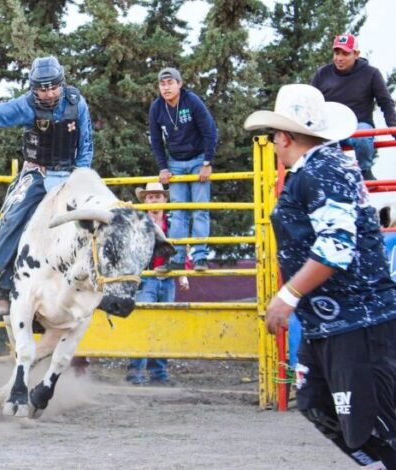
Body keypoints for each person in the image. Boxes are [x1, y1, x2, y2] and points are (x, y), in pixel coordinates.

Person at [245, 83, 396, 468]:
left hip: (357, 320)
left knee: (373, 421)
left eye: (273, 135)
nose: (273, 142)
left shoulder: (324, 171)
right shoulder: (315, 171)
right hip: (331, 320)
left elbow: (336, 247)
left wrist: (289, 294)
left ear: (284, 136)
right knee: (316, 403)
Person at [0, 56, 93, 316]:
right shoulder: (26, 106)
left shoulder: (77, 104)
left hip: (70, 174)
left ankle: (97, 282)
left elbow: (86, 143)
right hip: (37, 172)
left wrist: (80, 176)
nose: (48, 93)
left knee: (93, 220)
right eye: (42, 88)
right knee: (13, 218)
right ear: (34, 88)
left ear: (61, 83)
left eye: (52, 86)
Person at [149, 67, 217, 273]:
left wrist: (207, 161)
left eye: (170, 83)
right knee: (178, 212)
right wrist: (163, 167)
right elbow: (155, 140)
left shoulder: (191, 101)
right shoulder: (157, 108)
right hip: (176, 162)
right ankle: (177, 258)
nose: (166, 87)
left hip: (197, 160)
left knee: (200, 208)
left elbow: (210, 130)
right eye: (162, 84)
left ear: (179, 84)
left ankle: (200, 257)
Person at [125, 183, 189, 386]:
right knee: (144, 324)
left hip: (167, 278)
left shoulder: (172, 224)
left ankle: (158, 373)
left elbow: (181, 249)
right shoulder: (137, 223)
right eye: (150, 197)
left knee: (162, 326)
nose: (154, 201)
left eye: (157, 197)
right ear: (144, 201)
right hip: (145, 277)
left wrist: (182, 274)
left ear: (164, 200)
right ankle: (136, 372)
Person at [311, 33, 396, 181]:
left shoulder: (371, 74)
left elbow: (385, 102)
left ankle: (365, 171)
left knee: (362, 138)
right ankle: (331, 178)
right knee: (322, 146)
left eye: (345, 53)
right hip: (332, 126)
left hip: (359, 123)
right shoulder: (322, 74)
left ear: (356, 54)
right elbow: (311, 104)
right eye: (337, 53)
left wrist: (393, 127)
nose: (340, 58)